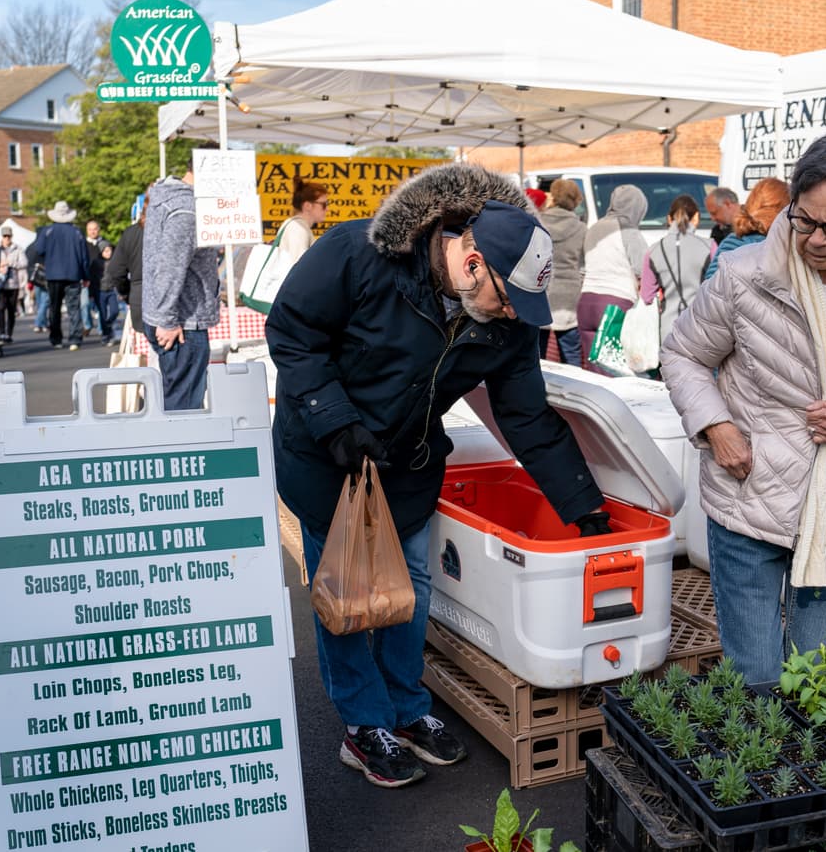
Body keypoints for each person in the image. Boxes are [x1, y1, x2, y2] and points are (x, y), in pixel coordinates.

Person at [265, 163, 613, 790]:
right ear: (473, 261)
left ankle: (406, 706)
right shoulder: (357, 253)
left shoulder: (504, 321)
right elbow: (292, 333)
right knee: (346, 592)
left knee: (413, 587)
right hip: (327, 457)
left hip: (409, 461)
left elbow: (525, 415)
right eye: (506, 298)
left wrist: (581, 503)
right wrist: (335, 420)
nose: (511, 315)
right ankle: (363, 722)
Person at [660, 131, 826, 683]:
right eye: (805, 220)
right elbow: (682, 354)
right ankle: (756, 771)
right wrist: (717, 427)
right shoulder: (744, 275)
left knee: (816, 678)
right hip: (749, 495)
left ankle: (803, 771)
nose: (816, 240)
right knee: (757, 677)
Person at [143, 151, 221, 410]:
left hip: (175, 318)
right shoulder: (187, 209)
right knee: (184, 412)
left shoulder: (168, 197)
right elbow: (170, 266)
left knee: (176, 404)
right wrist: (166, 319)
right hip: (183, 322)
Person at [577, 184, 647, 374]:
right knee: (615, 371)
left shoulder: (594, 228)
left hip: (586, 303)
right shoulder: (629, 231)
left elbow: (582, 268)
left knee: (594, 372)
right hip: (615, 304)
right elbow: (643, 270)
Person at [640, 194, 712, 343]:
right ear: (696, 217)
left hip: (667, 329)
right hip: (700, 328)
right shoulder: (709, 247)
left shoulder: (653, 251)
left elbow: (647, 297)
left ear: (669, 218)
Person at [703, 177, 789, 281]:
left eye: (714, 213)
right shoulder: (736, 242)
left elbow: (709, 288)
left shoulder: (735, 241)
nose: (712, 218)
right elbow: (711, 288)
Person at [538, 178, 586, 366]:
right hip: (569, 294)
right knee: (571, 353)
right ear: (575, 200)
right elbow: (583, 266)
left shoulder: (538, 222)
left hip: (541, 291)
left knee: (537, 355)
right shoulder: (581, 228)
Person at [33, 201, 90, 351]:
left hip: (53, 275)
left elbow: (38, 249)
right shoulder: (77, 233)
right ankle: (75, 338)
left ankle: (56, 338)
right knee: (73, 308)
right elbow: (84, 257)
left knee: (54, 307)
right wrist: (86, 276)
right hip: (73, 274)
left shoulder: (47, 231)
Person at [104, 204, 145, 338]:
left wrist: (127, 292)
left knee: (151, 349)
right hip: (176, 300)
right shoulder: (177, 228)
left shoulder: (131, 233)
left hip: (140, 294)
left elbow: (116, 270)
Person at [276, 178, 330, 268]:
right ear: (307, 206)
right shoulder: (297, 229)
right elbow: (298, 268)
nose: (327, 209)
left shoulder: (297, 226)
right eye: (323, 204)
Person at [85, 220, 117, 345]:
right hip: (95, 286)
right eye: (90, 229)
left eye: (95, 229)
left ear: (99, 230)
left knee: (113, 311)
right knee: (97, 310)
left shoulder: (106, 244)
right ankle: (104, 334)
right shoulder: (84, 244)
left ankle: (106, 329)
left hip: (110, 288)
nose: (93, 231)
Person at [0, 228, 26, 344]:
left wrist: (10, 263)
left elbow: (24, 262)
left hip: (13, 283)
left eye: (9, 236)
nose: (7, 238)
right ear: (2, 237)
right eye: (5, 236)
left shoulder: (17, 248)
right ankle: (2, 333)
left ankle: (9, 333)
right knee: (1, 308)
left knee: (11, 310)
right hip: (1, 283)